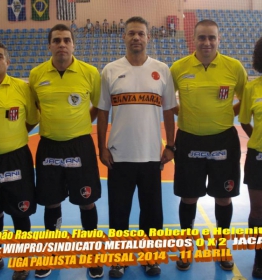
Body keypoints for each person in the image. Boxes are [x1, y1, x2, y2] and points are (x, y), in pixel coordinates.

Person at [97, 16, 177, 278]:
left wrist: (171, 146)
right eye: (131, 33)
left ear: (148, 37)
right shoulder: (109, 70)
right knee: (119, 212)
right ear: (124, 37)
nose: (136, 38)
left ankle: (150, 258)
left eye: (141, 34)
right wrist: (102, 148)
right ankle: (119, 259)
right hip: (119, 156)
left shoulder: (162, 70)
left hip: (152, 156)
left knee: (152, 213)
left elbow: (168, 112)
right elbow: (102, 113)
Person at [170, 19, 247, 271]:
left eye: (212, 38)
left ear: (219, 39)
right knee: (189, 195)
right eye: (202, 37)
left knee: (223, 196)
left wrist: (227, 113)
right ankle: (185, 244)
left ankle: (222, 245)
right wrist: (187, 114)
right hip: (189, 139)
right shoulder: (178, 68)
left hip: (223, 139)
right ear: (194, 39)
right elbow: (168, 103)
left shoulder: (234, 67)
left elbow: (245, 101)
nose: (207, 42)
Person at [29, 24, 103, 279]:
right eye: (57, 40)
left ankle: (93, 252)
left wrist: (81, 121)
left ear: (73, 45)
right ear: (49, 45)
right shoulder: (37, 74)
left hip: (80, 145)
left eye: (66, 40)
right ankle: (51, 250)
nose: (62, 44)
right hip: (49, 145)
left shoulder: (89, 72)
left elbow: (99, 106)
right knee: (51, 200)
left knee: (87, 199)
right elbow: (36, 109)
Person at [0, 41, 39, 280]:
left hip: (16, 159)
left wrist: (12, 137)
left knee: (21, 210)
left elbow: (32, 120)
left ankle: (22, 260)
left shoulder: (21, 87)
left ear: (8, 62)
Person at [239, 35, 262, 279]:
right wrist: (258, 138)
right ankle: (259, 257)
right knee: (258, 210)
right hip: (259, 157)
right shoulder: (253, 87)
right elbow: (245, 120)